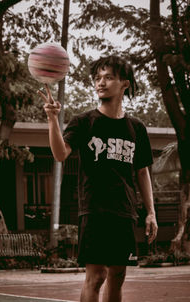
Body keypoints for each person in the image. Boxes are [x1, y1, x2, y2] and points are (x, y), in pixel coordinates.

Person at [39, 55, 158, 302]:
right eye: (97, 78)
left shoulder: (136, 127)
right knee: (96, 276)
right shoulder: (84, 122)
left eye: (108, 77)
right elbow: (61, 154)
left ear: (124, 83)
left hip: (125, 211)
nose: (100, 83)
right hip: (94, 209)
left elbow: (142, 171)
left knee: (117, 274)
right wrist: (52, 119)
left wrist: (151, 212)